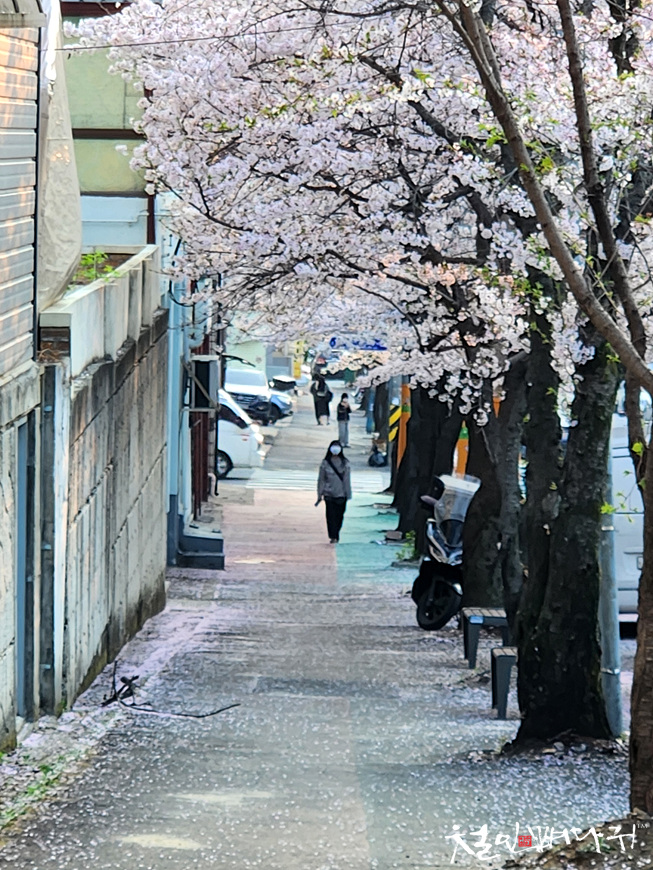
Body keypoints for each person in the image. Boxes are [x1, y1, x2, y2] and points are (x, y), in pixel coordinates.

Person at [316, 441, 352, 543]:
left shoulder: (345, 463)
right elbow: (321, 479)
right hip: (329, 494)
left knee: (339, 516)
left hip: (341, 494)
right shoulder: (325, 463)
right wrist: (320, 494)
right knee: (330, 516)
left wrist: (348, 493)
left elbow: (347, 480)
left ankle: (336, 533)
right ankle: (333, 536)